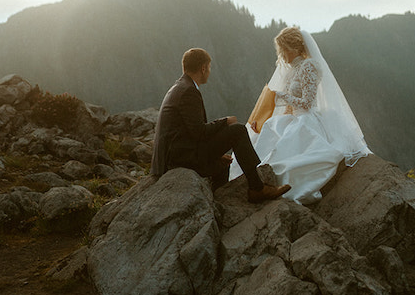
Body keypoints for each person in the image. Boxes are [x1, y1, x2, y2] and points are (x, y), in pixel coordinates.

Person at [231, 26, 369, 204]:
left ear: (294, 48)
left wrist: (281, 96)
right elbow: (287, 103)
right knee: (269, 130)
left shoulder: (308, 66)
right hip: (292, 117)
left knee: (288, 143)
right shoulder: (290, 70)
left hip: (306, 118)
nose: (282, 54)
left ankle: (274, 184)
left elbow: (307, 102)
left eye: (284, 49)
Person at [151, 47, 291, 203]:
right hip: (177, 159)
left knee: (222, 164)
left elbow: (191, 132)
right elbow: (199, 132)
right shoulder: (188, 92)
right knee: (237, 130)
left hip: (177, 153)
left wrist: (215, 154)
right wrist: (224, 121)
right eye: (209, 68)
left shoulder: (180, 87)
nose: (209, 72)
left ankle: (218, 201)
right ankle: (257, 188)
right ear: (203, 68)